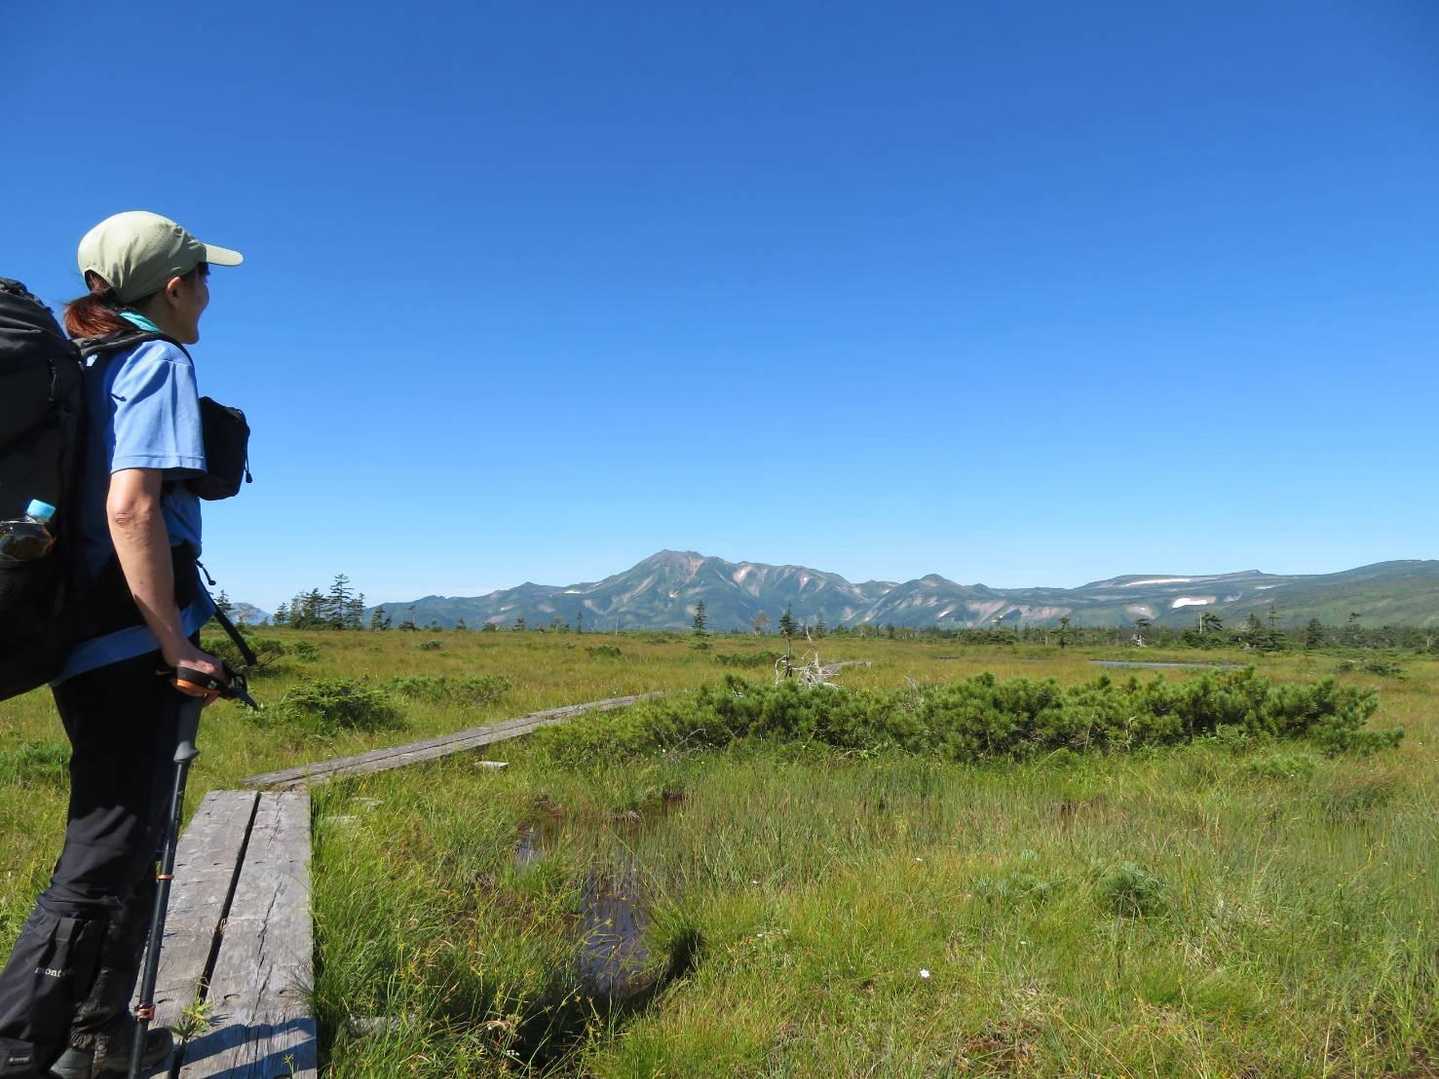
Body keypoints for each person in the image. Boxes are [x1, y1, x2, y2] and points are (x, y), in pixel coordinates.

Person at [0, 211, 242, 1077]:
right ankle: (16, 1048)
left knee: (132, 838)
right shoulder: (156, 359)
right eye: (203, 279)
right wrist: (174, 641)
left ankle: (99, 1039)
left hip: (84, 634)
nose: (208, 294)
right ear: (174, 286)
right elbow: (131, 505)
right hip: (127, 644)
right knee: (106, 848)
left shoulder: (85, 362)